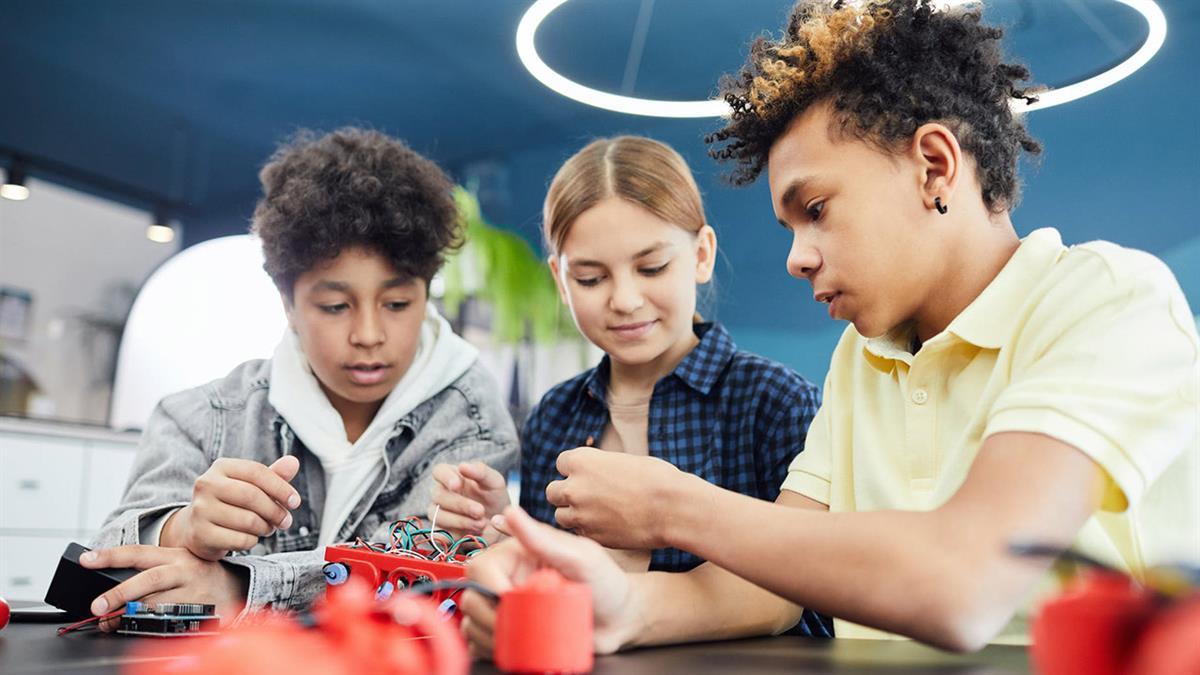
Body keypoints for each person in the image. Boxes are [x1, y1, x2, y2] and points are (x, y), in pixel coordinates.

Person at [459, 0, 1200, 655]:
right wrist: (620, 608)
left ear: (935, 166)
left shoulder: (1108, 298)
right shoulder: (862, 356)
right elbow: (769, 589)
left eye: (814, 210)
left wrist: (670, 508)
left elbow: (965, 580)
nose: (796, 258)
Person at [83, 128, 519, 624]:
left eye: (397, 304)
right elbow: (103, 562)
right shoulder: (201, 418)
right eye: (335, 306)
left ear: (426, 294)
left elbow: (410, 581)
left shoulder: (470, 419)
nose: (370, 334)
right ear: (288, 303)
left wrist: (240, 586)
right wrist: (180, 528)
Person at [429, 136, 831, 635]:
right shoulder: (556, 414)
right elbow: (552, 586)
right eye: (591, 278)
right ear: (560, 280)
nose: (624, 299)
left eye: (652, 267)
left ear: (702, 254)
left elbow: (809, 590)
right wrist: (504, 526)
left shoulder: (776, 401)